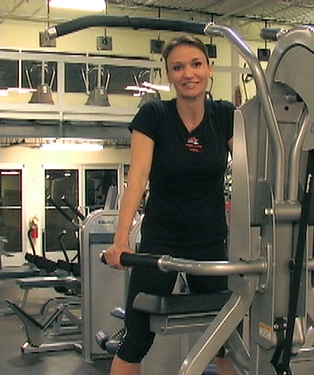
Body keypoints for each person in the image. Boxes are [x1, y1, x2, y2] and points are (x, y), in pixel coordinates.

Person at [103, 34, 237, 375]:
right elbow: (138, 177)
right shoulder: (154, 115)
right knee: (136, 339)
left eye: (195, 64)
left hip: (209, 241)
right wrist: (121, 239)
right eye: (177, 67)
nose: (187, 73)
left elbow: (252, 176)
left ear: (210, 69)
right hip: (161, 240)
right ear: (168, 74)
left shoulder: (225, 116)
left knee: (229, 339)